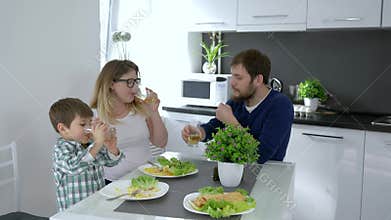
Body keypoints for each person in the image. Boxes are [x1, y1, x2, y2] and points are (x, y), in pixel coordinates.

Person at [182, 49, 293, 164]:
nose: (232, 83)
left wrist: (232, 123)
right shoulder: (237, 101)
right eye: (232, 76)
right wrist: (199, 132)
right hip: (236, 172)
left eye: (238, 78)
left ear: (258, 80)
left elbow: (260, 155)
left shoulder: (280, 105)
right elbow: (214, 126)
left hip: (268, 173)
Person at [90, 59, 168, 183]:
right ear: (111, 84)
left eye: (136, 82)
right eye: (130, 82)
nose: (136, 89)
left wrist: (154, 111)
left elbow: (160, 142)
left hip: (148, 178)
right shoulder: (95, 116)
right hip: (113, 184)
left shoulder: (142, 108)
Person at [49, 98, 124, 211]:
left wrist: (111, 147)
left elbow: (109, 162)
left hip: (97, 207)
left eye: (90, 123)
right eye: (83, 124)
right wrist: (98, 143)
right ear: (63, 128)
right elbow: (74, 167)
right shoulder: (61, 148)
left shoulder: (91, 145)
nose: (89, 129)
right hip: (74, 214)